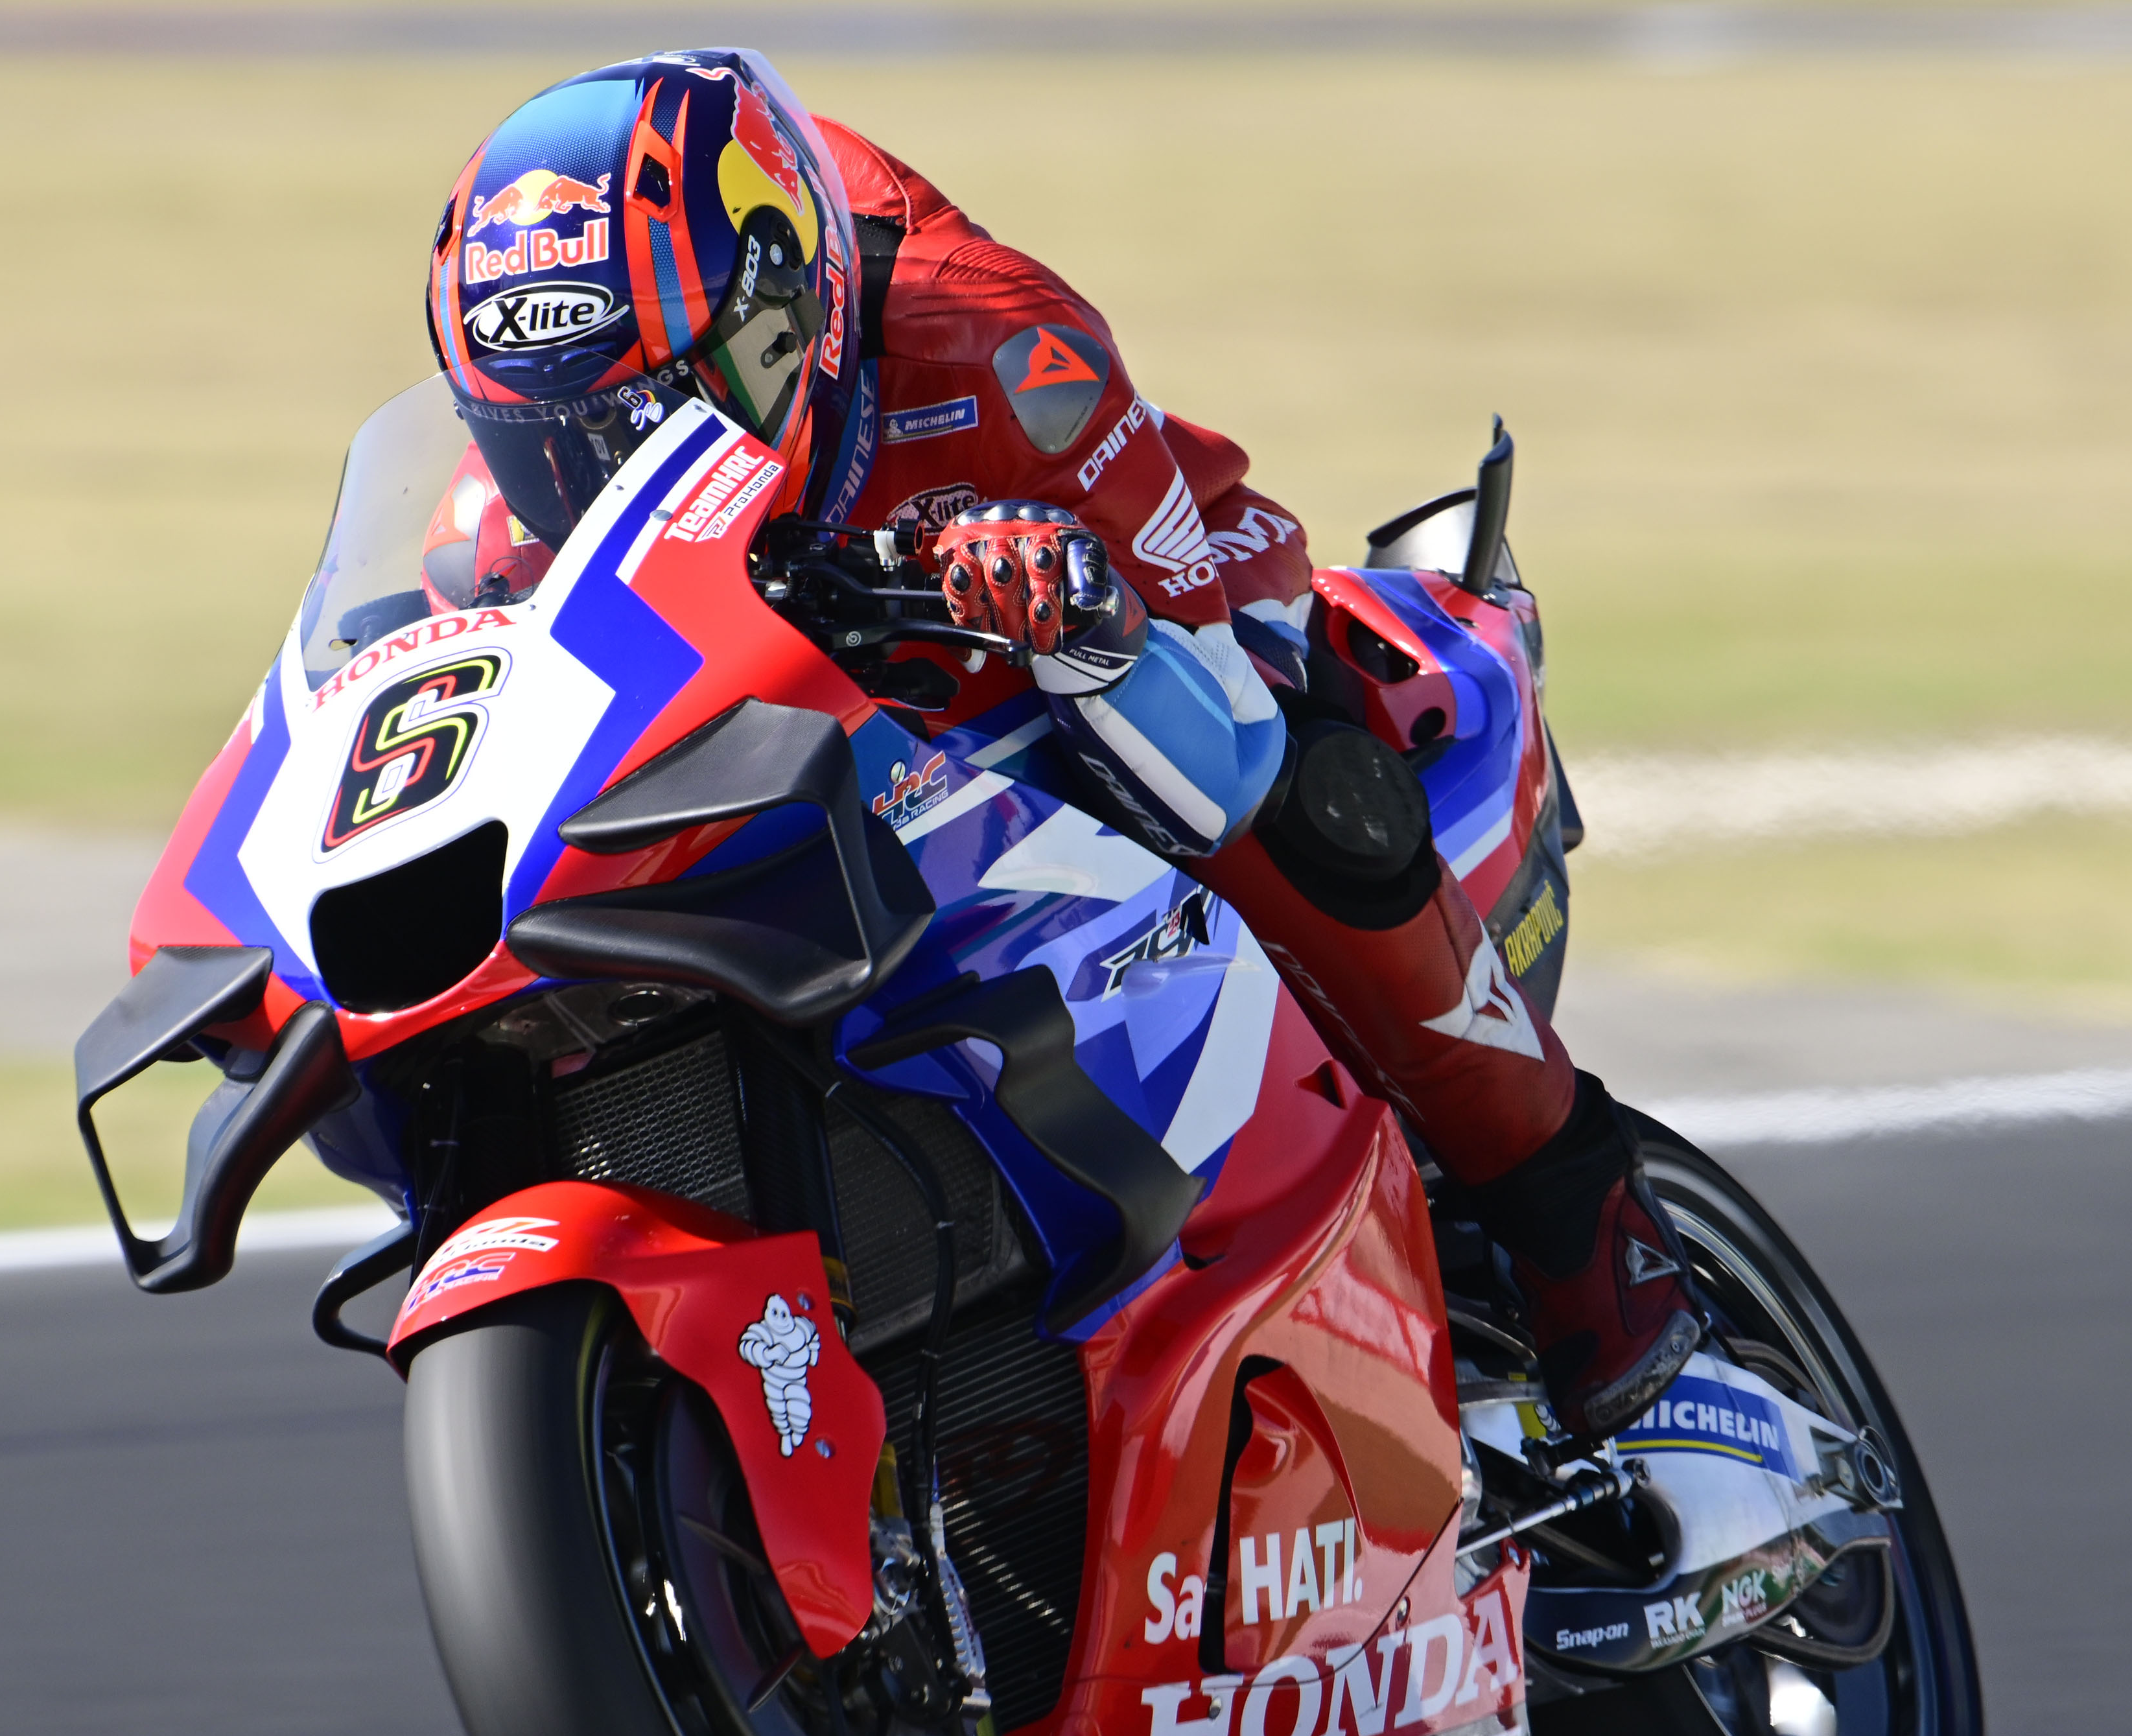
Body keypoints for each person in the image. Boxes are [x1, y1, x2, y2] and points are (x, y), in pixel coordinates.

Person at [423, 49, 1702, 1437]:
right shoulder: (495, 512)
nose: (611, 469)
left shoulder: (999, 352)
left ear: (794, 309)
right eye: (553, 437)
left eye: (674, 404)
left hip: (1137, 600)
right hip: (803, 700)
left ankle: (1580, 1210)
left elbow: (1218, 758)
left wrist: (1081, 624)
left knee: (1302, 793)